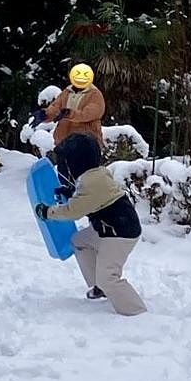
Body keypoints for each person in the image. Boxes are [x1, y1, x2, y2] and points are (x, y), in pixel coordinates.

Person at [36, 131, 146, 316]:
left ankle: (136, 312)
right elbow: (89, 197)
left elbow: (73, 212)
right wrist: (71, 193)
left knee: (109, 277)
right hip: (108, 227)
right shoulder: (94, 175)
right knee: (79, 241)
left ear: (75, 163)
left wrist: (47, 212)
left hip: (120, 233)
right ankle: (99, 286)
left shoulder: (91, 183)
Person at [31, 62, 105, 147]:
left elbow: (88, 114)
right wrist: (45, 114)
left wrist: (69, 113)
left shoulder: (95, 94)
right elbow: (56, 107)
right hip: (63, 141)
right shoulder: (66, 92)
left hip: (85, 143)